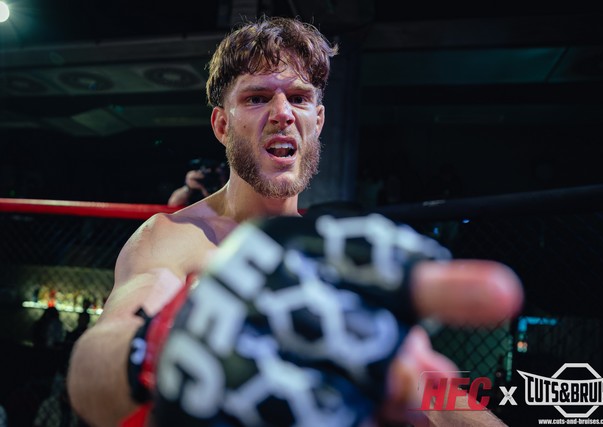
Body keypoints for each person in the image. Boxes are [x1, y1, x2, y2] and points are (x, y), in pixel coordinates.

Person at [67, 16, 523, 427]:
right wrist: (173, 346)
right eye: (257, 97)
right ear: (222, 126)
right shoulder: (174, 237)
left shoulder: (337, 261)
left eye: (300, 98)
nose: (283, 113)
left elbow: (424, 386)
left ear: (318, 121)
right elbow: (92, 368)